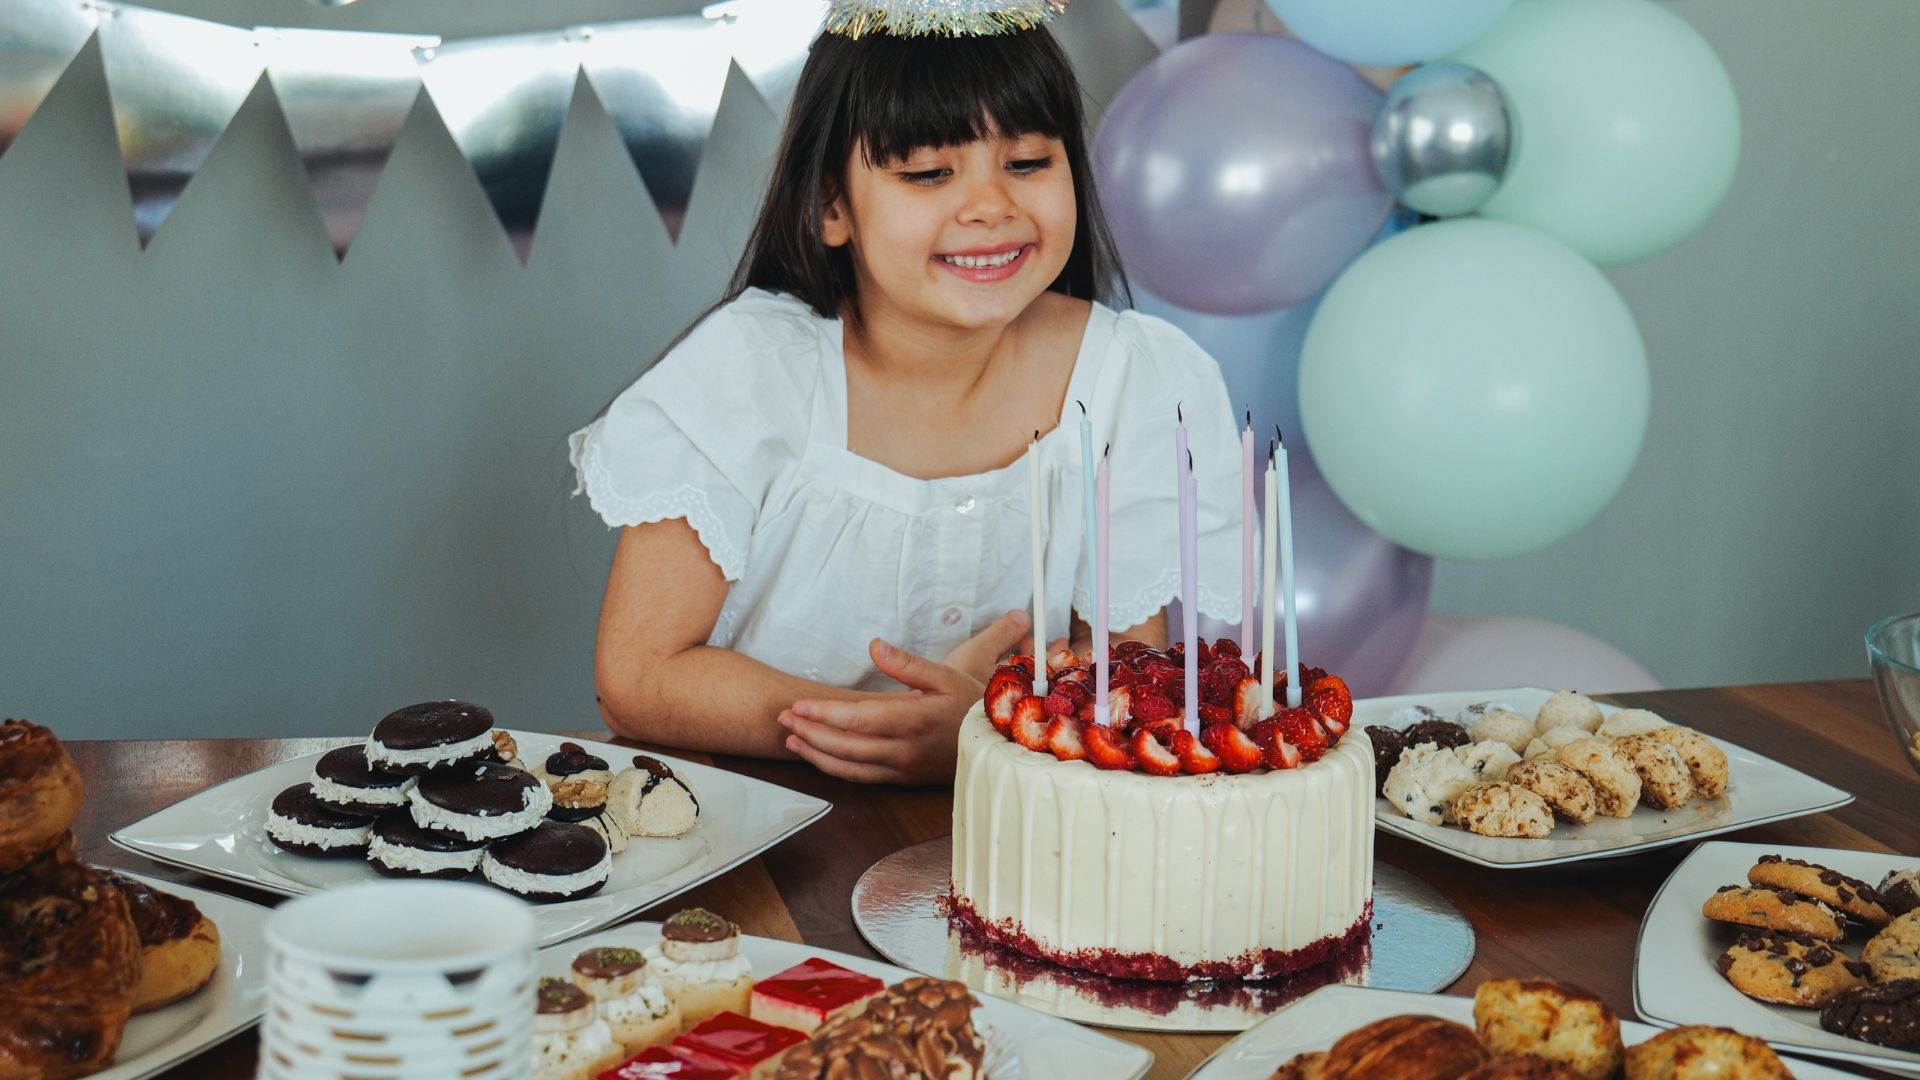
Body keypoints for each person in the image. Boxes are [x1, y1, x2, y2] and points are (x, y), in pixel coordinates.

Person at [570, 5, 1245, 784]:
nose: (991, 206)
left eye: (1027, 163)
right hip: (762, 842)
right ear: (832, 208)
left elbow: (1128, 676)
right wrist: (896, 730)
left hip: (1017, 849)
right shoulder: (749, 374)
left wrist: (979, 732)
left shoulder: (1133, 378)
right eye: (928, 173)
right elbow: (637, 677)